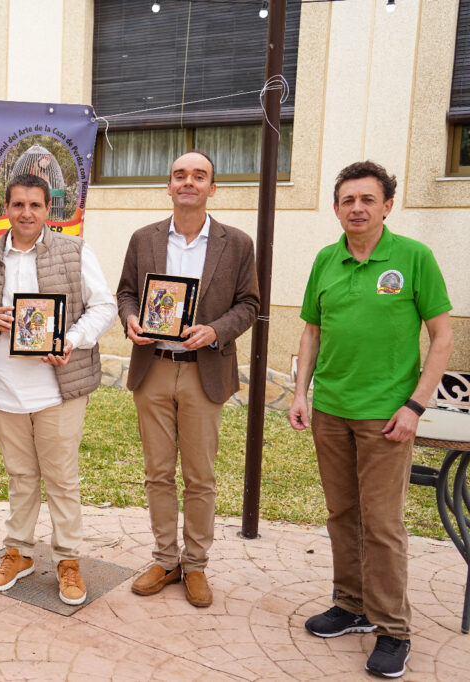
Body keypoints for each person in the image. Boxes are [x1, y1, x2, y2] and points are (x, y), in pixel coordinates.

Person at [288, 161, 452, 678]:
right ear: (337, 208)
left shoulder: (413, 258)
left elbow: (442, 337)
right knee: (342, 515)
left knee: (382, 525)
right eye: (347, 201)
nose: (356, 208)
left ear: (387, 205)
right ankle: (352, 604)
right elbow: (312, 332)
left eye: (366, 199)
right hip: (331, 411)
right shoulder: (325, 260)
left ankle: (393, 630)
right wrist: (301, 392)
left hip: (387, 417)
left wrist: (415, 406)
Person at [0, 174, 117, 605]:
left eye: (35, 205)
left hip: (57, 390)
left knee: (62, 479)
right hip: (4, 389)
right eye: (18, 205)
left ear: (49, 210)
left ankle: (67, 558)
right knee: (20, 476)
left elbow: (103, 305)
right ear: (5, 208)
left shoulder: (74, 251)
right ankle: (20, 552)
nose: (26, 213)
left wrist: (71, 340)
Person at [116, 151, 258, 608]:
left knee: (200, 477)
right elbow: (125, 293)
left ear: (212, 187)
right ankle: (165, 559)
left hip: (205, 373)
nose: (188, 182)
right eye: (180, 175)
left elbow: (249, 304)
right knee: (157, 474)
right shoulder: (144, 239)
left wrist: (216, 330)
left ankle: (195, 565)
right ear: (170, 184)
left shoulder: (236, 243)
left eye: (199, 176)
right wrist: (131, 318)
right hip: (153, 367)